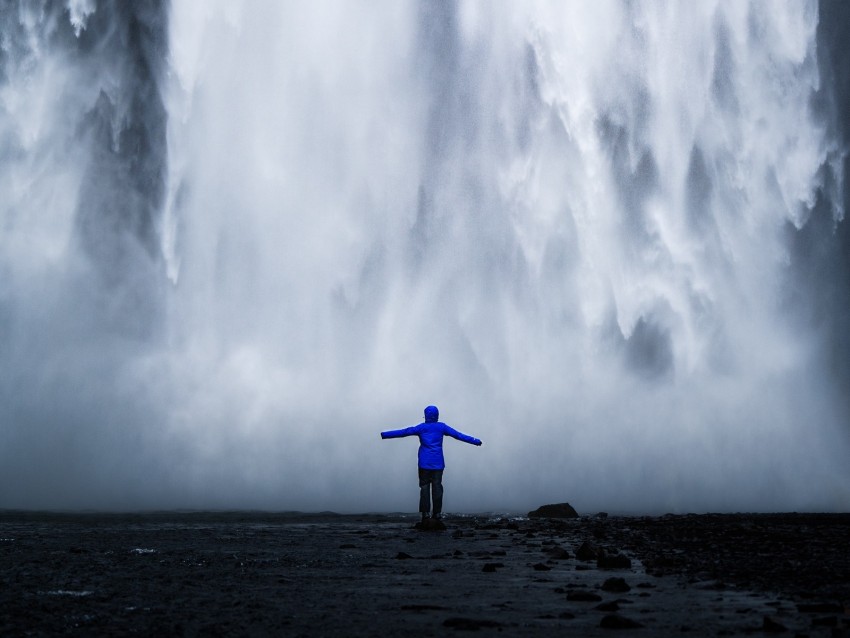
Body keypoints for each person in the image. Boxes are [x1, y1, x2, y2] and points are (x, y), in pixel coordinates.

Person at [381, 405, 482, 521]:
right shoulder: (441, 427)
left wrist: (385, 435)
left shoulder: (421, 428)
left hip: (424, 464)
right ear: (437, 415)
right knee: (437, 488)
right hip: (438, 464)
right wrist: (475, 441)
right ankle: (437, 514)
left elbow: (404, 432)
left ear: (426, 415)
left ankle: (425, 514)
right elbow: (458, 435)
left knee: (424, 488)